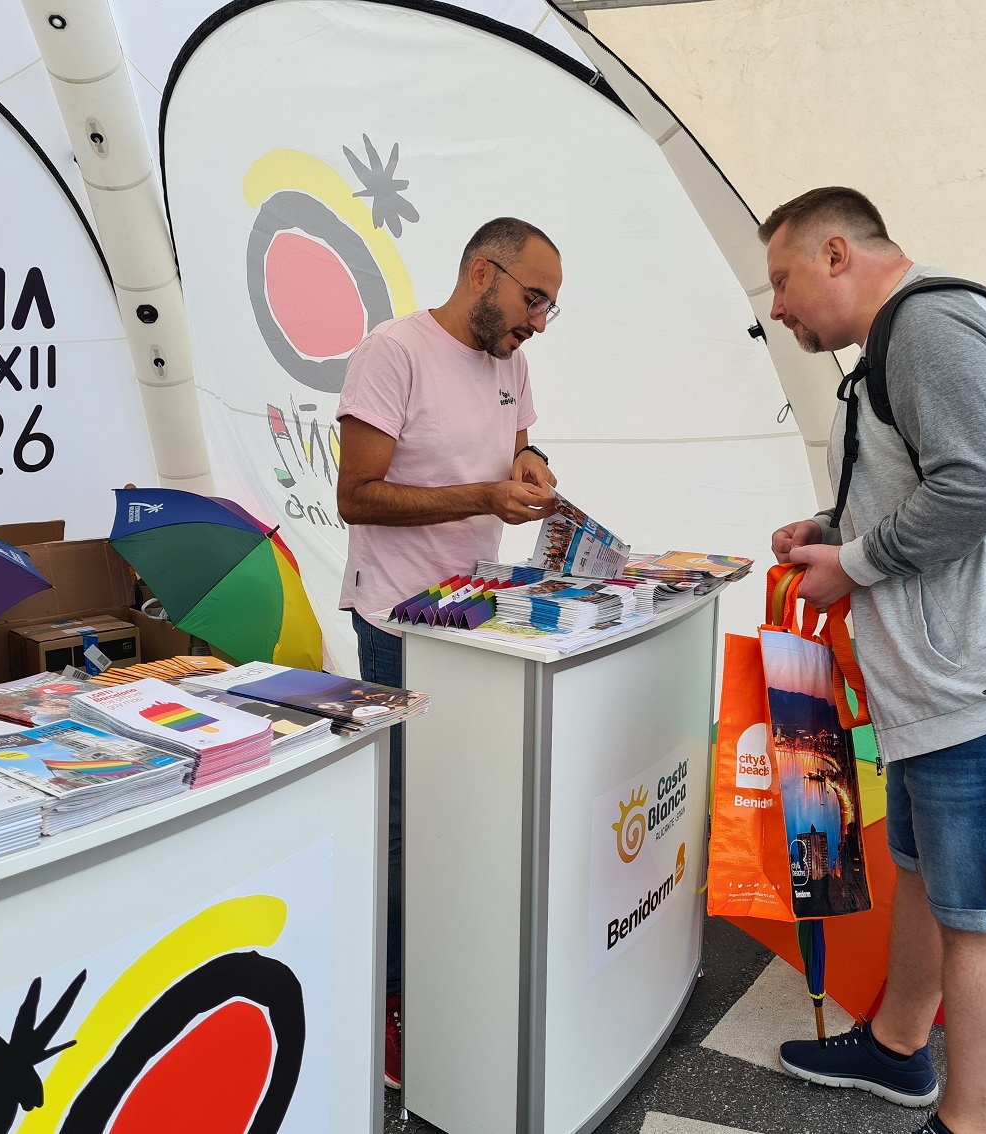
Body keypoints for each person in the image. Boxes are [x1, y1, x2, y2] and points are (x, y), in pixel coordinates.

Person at [761, 187, 986, 1134]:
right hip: (953, 682)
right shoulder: (906, 337)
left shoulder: (924, 324)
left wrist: (854, 565)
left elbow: (982, 483)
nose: (778, 306)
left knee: (981, 916)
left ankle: (967, 1124)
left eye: (783, 279)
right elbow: (928, 480)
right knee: (925, 879)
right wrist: (835, 528)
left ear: (836, 253)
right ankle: (896, 1047)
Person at [335, 216, 561, 1089]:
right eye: (532, 299)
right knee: (403, 818)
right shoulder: (392, 353)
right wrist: (484, 497)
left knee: (461, 805)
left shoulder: (510, 359)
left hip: (474, 618)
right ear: (481, 274)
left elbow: (518, 442)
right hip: (397, 626)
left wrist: (530, 464)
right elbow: (357, 496)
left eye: (548, 308)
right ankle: (391, 1003)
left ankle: (449, 969)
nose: (537, 321)